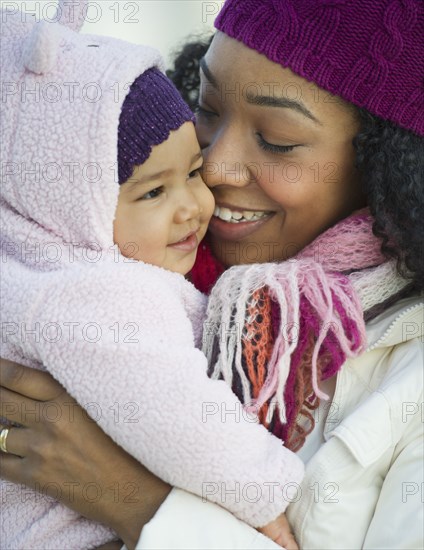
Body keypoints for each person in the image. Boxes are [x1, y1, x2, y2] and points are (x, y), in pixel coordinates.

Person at [1, 0, 423, 548]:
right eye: (205, 106)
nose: (216, 166)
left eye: (276, 140)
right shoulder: (95, 262)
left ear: (387, 164)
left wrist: (134, 501)